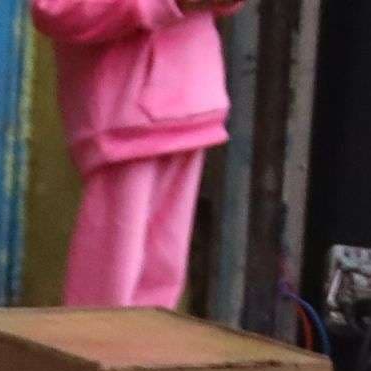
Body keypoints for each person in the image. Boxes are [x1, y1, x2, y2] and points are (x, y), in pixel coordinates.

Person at [36, 0, 233, 329]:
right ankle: (92, 369)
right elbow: (56, 9)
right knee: (109, 288)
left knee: (161, 280)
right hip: (127, 118)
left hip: (191, 103)